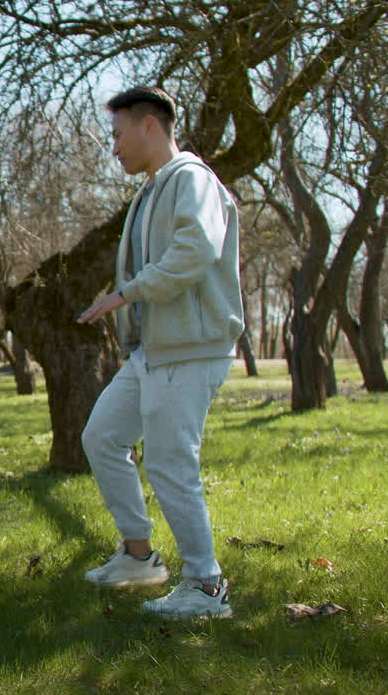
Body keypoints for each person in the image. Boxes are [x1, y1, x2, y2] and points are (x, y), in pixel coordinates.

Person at [76, 86, 244, 619]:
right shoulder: (149, 194)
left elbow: (195, 251)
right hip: (152, 351)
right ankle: (139, 556)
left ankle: (205, 584)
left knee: (171, 461)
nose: (114, 148)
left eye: (118, 134)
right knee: (102, 437)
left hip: (191, 349)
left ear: (149, 125)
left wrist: (126, 293)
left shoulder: (192, 180)